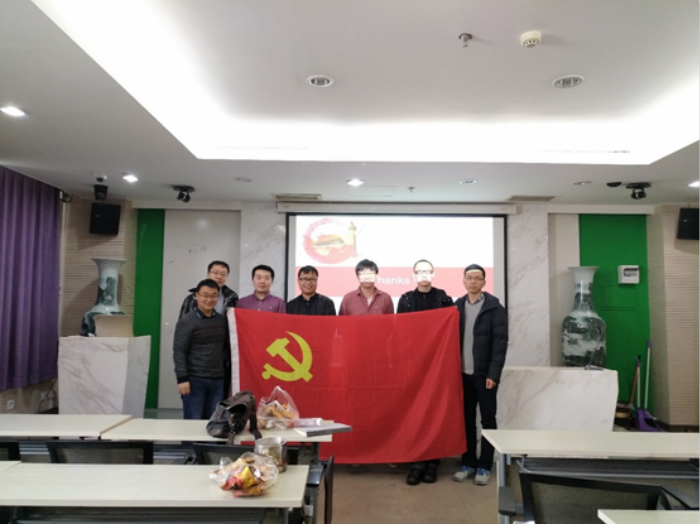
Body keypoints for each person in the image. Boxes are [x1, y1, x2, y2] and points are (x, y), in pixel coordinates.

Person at [397, 259, 454, 485]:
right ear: (413, 275)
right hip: (413, 366)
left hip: (438, 366)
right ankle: (417, 462)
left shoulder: (444, 299)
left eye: (427, 271)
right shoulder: (405, 300)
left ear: (433, 274)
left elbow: (451, 333)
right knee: (415, 412)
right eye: (419, 271)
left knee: (435, 412)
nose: (423, 275)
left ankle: (432, 462)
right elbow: (399, 332)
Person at [452, 264, 508, 486]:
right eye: (469, 277)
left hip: (485, 376)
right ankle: (468, 462)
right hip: (462, 375)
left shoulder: (495, 308)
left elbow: (500, 345)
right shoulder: (456, 307)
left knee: (487, 420)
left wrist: (494, 373)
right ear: (463, 281)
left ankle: (485, 465)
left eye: (477, 278)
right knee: (466, 420)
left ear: (484, 282)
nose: (473, 281)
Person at [173, 279, 230, 420]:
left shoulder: (221, 321)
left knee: (214, 422)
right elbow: (179, 351)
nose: (209, 300)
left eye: (213, 296)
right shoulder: (187, 321)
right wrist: (182, 379)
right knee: (193, 421)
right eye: (205, 295)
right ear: (196, 296)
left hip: (218, 380)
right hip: (194, 380)